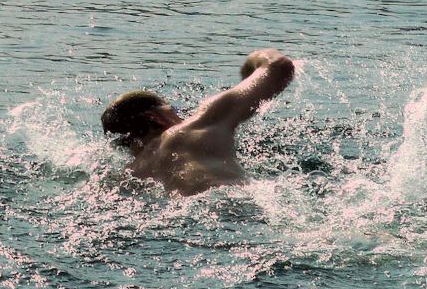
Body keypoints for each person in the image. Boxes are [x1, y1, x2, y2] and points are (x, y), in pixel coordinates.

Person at [101, 48, 297, 195]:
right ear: (156, 118)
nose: (181, 116)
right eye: (173, 110)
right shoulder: (195, 126)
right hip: (235, 206)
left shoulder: (131, 175)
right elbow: (279, 66)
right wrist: (251, 62)